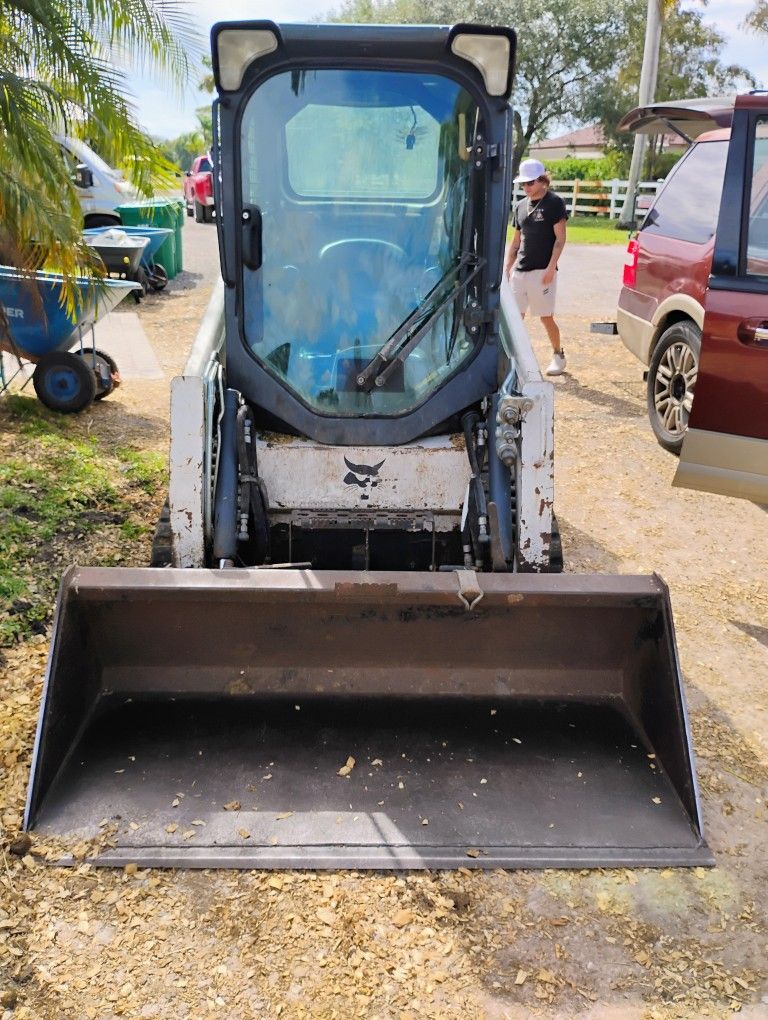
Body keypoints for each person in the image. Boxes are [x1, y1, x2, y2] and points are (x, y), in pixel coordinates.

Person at [504, 158, 568, 376]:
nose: (526, 188)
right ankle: (513, 359)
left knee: (545, 316)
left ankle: (558, 354)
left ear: (542, 181)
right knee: (515, 317)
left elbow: (560, 239)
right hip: (520, 272)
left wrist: (551, 268)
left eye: (530, 183)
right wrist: (507, 267)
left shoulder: (555, 203)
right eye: (523, 184)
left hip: (543, 271)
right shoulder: (520, 206)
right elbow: (516, 241)